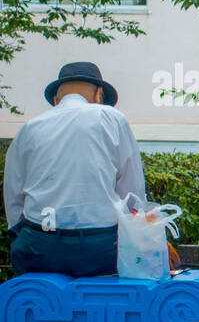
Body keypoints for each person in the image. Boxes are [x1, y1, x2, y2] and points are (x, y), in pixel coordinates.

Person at [4, 61, 147, 277]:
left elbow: (14, 200)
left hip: (40, 245)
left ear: (56, 99)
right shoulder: (111, 118)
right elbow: (132, 194)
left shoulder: (30, 128)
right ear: (99, 94)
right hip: (100, 247)